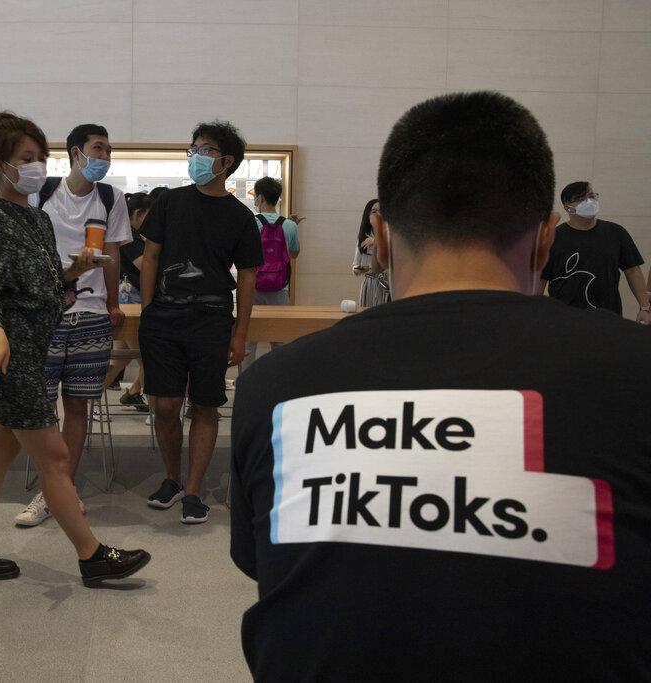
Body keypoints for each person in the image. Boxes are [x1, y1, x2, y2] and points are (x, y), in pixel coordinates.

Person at [231, 91, 651, 680]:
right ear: (547, 237)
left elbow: (273, 569)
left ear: (379, 232)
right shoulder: (634, 374)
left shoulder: (274, 386)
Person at [0, 111, 150, 585]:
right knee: (56, 458)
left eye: (41, 157)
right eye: (26, 158)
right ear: (1, 164)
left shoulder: (35, 220)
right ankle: (92, 554)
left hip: (34, 348)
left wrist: (76, 269)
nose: (36, 165)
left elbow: (43, 286)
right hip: (14, 359)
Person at [140, 120, 263, 525]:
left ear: (227, 161)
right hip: (164, 317)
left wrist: (240, 332)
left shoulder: (241, 217)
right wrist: (147, 309)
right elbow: (151, 257)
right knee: (166, 405)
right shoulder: (171, 202)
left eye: (205, 150)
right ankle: (172, 479)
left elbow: (247, 277)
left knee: (206, 404)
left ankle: (193, 489)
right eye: (193, 149)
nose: (196, 156)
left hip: (212, 318)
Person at [14, 123, 131, 528]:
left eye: (109, 150)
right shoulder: (43, 192)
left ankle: (60, 489)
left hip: (93, 313)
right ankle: (50, 485)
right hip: (45, 313)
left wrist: (113, 302)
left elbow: (113, 252)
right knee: (41, 405)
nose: (105, 157)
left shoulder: (111, 197)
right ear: (75, 153)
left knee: (78, 404)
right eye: (98, 148)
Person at [539, 181, 649, 323]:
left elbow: (633, 271)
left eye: (591, 196)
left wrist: (644, 308)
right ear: (568, 208)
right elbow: (540, 279)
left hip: (608, 319)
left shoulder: (616, 233)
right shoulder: (553, 238)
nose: (589, 201)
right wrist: (532, 313)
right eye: (581, 198)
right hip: (564, 322)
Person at [240, 176, 301, 372]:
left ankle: (246, 384)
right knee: (279, 339)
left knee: (249, 340)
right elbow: (294, 254)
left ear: (259, 198)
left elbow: (244, 256)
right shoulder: (289, 225)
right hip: (280, 288)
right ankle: (279, 381)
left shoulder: (252, 222)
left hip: (253, 287)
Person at [111, 191, 154, 412]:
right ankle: (151, 407)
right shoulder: (130, 237)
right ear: (138, 214)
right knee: (149, 357)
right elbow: (146, 265)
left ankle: (134, 392)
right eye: (150, 214)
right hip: (132, 299)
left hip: (127, 298)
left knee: (120, 359)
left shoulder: (130, 235)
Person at [352, 198, 390, 307]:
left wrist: (375, 241)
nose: (378, 214)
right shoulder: (362, 237)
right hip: (369, 284)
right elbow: (355, 266)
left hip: (385, 284)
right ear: (368, 215)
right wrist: (359, 269)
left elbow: (388, 264)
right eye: (374, 211)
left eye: (381, 211)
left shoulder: (389, 234)